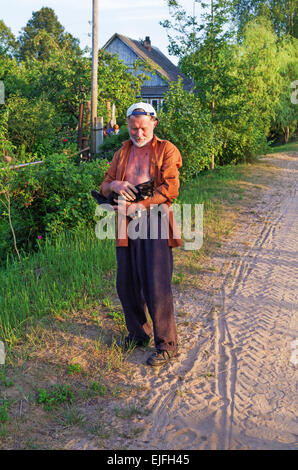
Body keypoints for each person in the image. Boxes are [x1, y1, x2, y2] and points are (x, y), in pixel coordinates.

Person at [99, 102, 182, 366]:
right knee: (126, 284)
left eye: (143, 128)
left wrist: (139, 205)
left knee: (156, 285)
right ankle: (137, 334)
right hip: (126, 223)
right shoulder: (122, 151)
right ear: (127, 126)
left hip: (155, 220)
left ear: (154, 124)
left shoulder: (166, 149)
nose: (138, 134)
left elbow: (170, 189)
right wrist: (116, 184)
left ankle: (167, 345)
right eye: (133, 129)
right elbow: (103, 186)